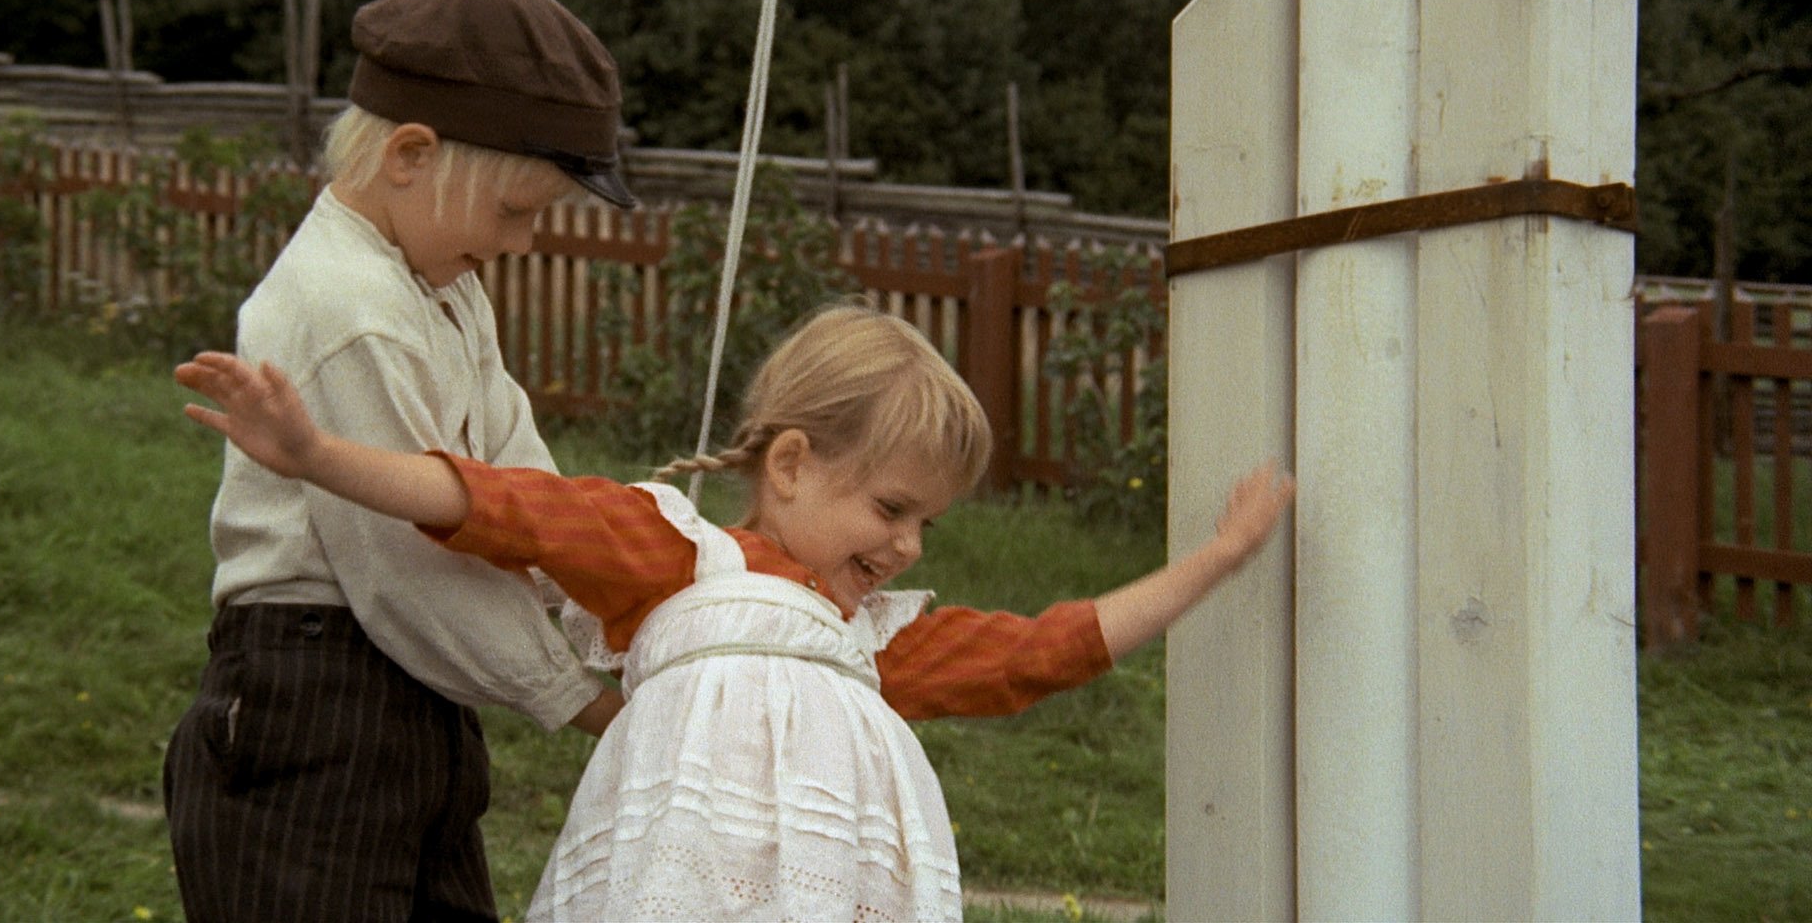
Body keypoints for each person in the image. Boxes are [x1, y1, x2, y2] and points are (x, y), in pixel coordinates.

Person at [174, 303, 1295, 922]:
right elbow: (497, 507)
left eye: (929, 526)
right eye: (892, 507)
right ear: (795, 464)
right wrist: (318, 454)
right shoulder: (680, 556)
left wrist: (1218, 559)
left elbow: (1050, 650)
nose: (906, 545)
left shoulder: (874, 645)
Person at [162, 0, 634, 923]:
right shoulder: (351, 309)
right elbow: (407, 566)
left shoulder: (446, 288)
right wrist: (586, 702)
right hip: (312, 706)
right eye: (515, 211)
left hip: (418, 698)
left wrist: (618, 601)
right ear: (412, 154)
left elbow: (513, 476)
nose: (523, 242)